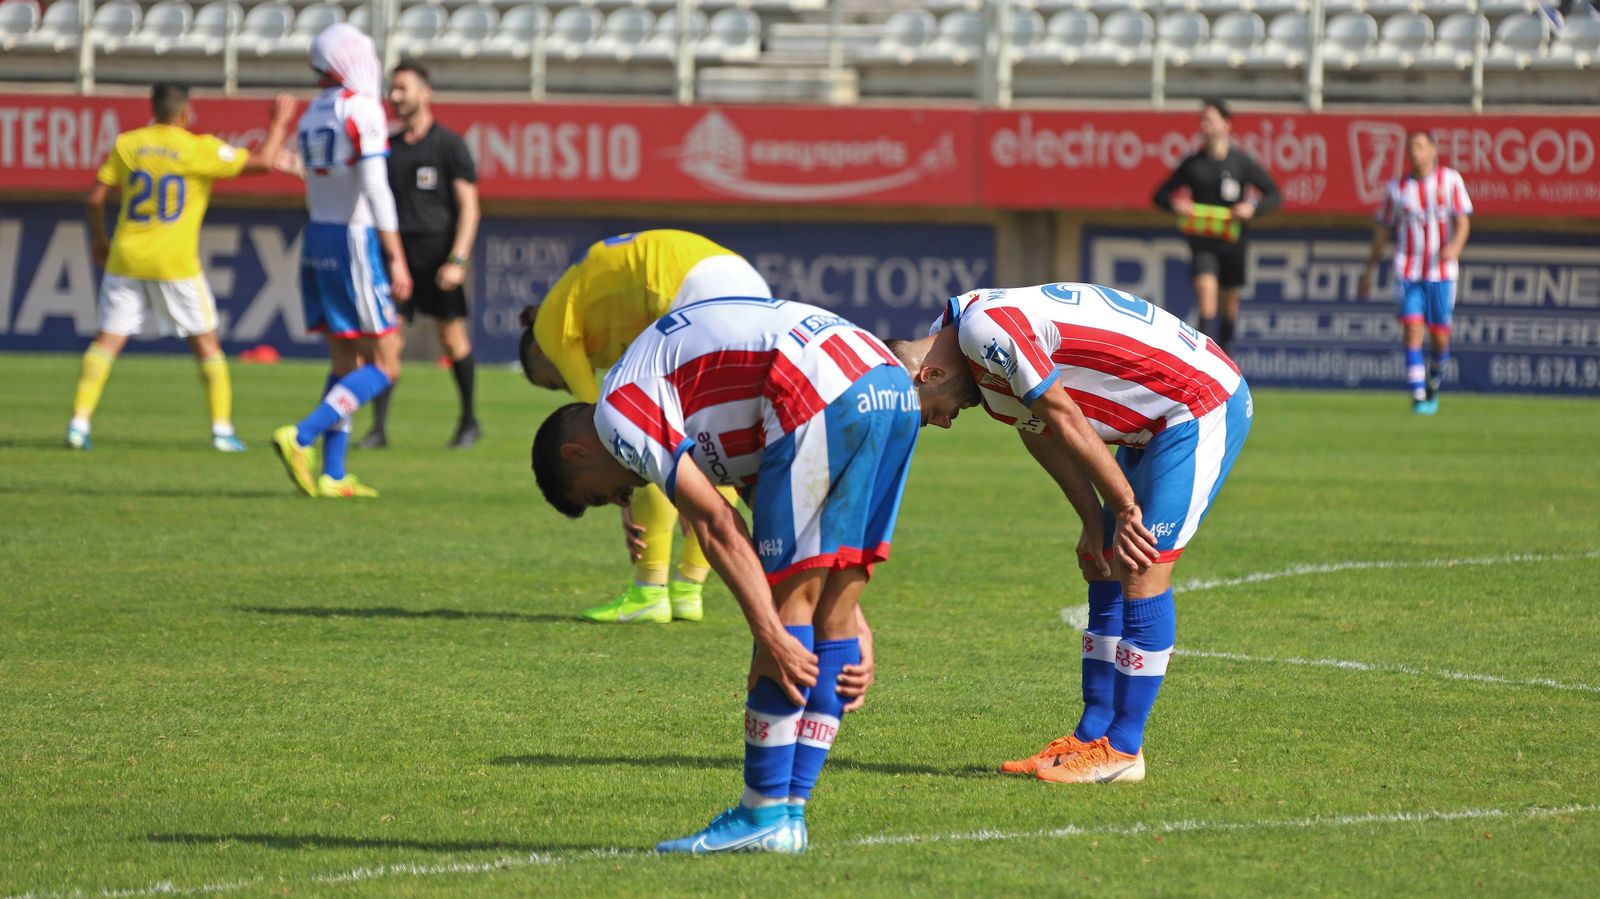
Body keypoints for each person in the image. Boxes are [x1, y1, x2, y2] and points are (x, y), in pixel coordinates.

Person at [531, 297, 916, 853]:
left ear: (576, 451)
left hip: (813, 388)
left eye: (599, 494)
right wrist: (854, 617)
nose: (623, 497)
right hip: (887, 384)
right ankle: (787, 818)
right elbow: (774, 511)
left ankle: (762, 814)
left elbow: (715, 523)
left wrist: (767, 629)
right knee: (829, 620)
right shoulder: (697, 409)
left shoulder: (617, 413)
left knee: (786, 616)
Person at [888, 281, 1252, 784]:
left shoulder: (983, 330)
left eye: (927, 415)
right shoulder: (962, 342)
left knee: (1141, 562)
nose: (944, 424)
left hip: (1196, 403)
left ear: (929, 374)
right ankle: (1089, 737)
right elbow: (1037, 426)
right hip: (1147, 421)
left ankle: (1123, 751)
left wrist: (1124, 507)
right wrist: (1092, 519)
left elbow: (1060, 411)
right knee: (1104, 557)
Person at [519, 229, 771, 624]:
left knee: (636, 434)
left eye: (554, 382)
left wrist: (623, 496)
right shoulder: (602, 313)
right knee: (711, 434)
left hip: (693, 289)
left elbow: (610, 435)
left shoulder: (549, 330)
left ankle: (649, 589)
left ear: (538, 352)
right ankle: (688, 589)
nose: (565, 385)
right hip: (741, 279)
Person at [66, 84, 297, 452]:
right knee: (206, 343)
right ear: (186, 114)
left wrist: (98, 238)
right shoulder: (196, 148)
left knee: (107, 341)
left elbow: (95, 198)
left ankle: (78, 424)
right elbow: (265, 162)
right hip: (174, 263)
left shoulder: (128, 144)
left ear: (153, 110)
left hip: (126, 257)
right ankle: (221, 431)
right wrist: (279, 123)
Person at [271, 24, 412, 499]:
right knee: (386, 362)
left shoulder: (312, 112)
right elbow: (375, 188)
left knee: (345, 360)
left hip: (318, 234)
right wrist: (396, 258)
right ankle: (303, 435)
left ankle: (332, 474)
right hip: (355, 238)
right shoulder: (362, 108)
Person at [357, 59, 482, 450]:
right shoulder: (388, 149)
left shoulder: (449, 145)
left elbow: (470, 207)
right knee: (388, 341)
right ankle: (378, 429)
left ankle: (468, 421)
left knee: (452, 339)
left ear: (424, 92)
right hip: (397, 261)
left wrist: (458, 260)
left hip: (440, 259)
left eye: (402, 88)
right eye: (391, 90)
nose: (394, 97)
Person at [1152, 98, 1281, 354]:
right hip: (1203, 242)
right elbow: (1160, 195)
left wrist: (1251, 208)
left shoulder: (1241, 163)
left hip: (1233, 242)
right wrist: (1177, 204)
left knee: (1229, 303)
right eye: (1202, 120)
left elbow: (1274, 195)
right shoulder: (1193, 164)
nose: (1204, 125)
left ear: (1226, 124)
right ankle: (1205, 361)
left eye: (1209, 120)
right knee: (1206, 293)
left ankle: (1228, 358)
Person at [1359, 130, 1472, 416]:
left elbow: (1463, 221)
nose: (1415, 153)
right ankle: (1419, 396)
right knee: (1411, 329)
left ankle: (1433, 385)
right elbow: (1383, 230)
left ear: (1433, 150)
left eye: (1421, 147)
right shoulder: (1397, 188)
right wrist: (1369, 269)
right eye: (1411, 148)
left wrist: (1455, 247)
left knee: (1439, 337)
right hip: (1408, 271)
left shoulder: (1450, 181)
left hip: (1442, 273)